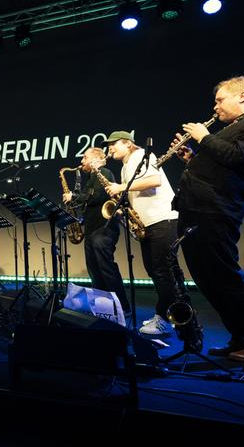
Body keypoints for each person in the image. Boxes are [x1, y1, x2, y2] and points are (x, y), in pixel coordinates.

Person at [171, 76, 244, 363]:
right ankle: (240, 337)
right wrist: (192, 157)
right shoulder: (232, 128)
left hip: (216, 210)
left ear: (243, 97)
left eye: (220, 99)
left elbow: (239, 158)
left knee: (226, 277)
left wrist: (204, 137)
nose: (215, 106)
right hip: (195, 209)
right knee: (208, 281)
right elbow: (221, 166)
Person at [104, 131, 181, 338]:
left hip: (162, 220)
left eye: (114, 145)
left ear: (128, 144)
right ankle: (170, 313)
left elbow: (154, 180)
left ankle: (165, 319)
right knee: (156, 271)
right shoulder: (126, 166)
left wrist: (120, 187)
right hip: (148, 223)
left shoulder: (140, 156)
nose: (110, 149)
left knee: (162, 271)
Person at [63, 147, 129, 313]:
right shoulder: (91, 178)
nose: (81, 162)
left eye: (85, 157)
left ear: (95, 159)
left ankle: (122, 307)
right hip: (92, 229)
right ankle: (103, 306)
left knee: (105, 267)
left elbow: (98, 196)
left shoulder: (104, 172)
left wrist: (74, 197)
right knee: (94, 269)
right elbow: (90, 201)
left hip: (104, 229)